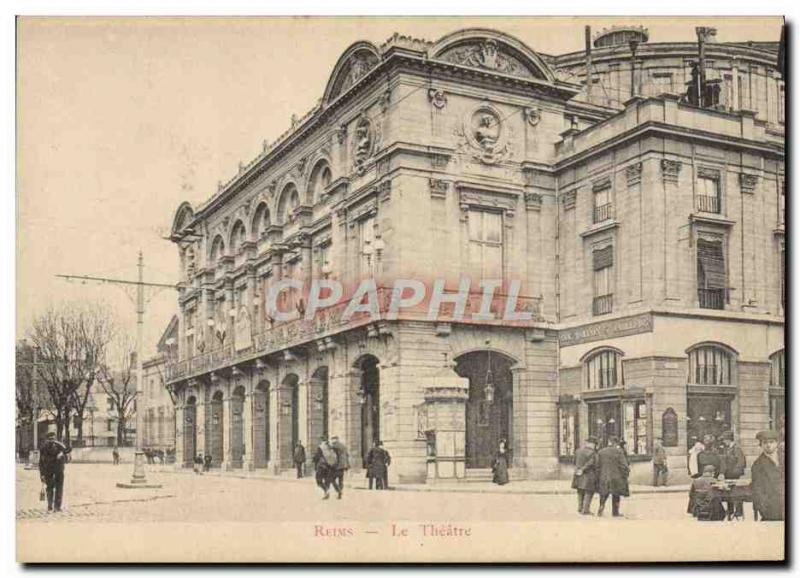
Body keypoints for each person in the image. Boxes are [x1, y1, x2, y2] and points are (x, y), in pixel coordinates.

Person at [751, 430, 784, 521]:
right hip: (772, 510)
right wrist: (766, 510)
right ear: (761, 445)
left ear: (777, 443)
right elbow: (757, 490)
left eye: (771, 442)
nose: (768, 445)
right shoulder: (758, 465)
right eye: (765, 443)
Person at [38, 431, 72, 512]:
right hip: (48, 470)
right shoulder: (43, 448)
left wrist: (62, 453)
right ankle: (50, 506)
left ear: (55, 438)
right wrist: (42, 474)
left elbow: (69, 449)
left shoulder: (59, 445)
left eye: (53, 439)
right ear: (47, 440)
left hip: (59, 470)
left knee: (59, 488)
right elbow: (41, 462)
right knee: (49, 488)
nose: (51, 440)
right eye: (50, 439)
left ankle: (57, 506)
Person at [596, 437, 630, 517]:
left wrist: (598, 475)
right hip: (616, 477)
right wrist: (625, 475)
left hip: (604, 476)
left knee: (603, 494)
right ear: (616, 443)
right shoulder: (619, 452)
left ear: (609, 442)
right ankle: (615, 512)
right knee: (616, 494)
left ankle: (601, 507)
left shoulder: (601, 452)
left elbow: (597, 465)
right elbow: (624, 465)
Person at [719, 430, 746, 519]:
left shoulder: (736, 448)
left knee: (736, 492)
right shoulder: (728, 448)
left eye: (724, 440)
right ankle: (730, 510)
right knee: (728, 492)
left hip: (734, 475)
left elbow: (741, 462)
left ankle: (738, 511)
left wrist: (735, 472)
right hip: (728, 474)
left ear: (728, 439)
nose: (723, 441)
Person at [571, 436, 598, 515]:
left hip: (578, 474)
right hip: (588, 475)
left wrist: (579, 469)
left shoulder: (578, 451)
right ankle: (585, 510)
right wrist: (583, 469)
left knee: (580, 491)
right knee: (589, 492)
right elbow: (592, 463)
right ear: (592, 444)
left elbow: (574, 462)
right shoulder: (592, 453)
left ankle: (580, 508)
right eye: (594, 444)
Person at [329, 435, 350, 499]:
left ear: (334, 440)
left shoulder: (334, 446)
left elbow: (333, 456)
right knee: (341, 480)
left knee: (332, 479)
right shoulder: (343, 446)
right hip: (343, 465)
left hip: (338, 465)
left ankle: (339, 491)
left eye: (332, 440)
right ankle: (339, 493)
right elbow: (347, 455)